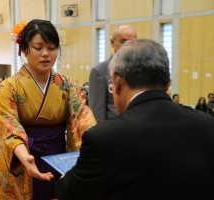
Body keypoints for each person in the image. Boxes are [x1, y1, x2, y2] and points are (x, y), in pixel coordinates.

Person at [55, 39, 214, 199]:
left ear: (117, 83)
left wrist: (65, 181)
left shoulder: (104, 137)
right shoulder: (207, 125)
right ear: (168, 84)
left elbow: (71, 193)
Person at [0, 19, 96, 200]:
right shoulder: (9, 87)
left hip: (58, 158)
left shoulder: (66, 85)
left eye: (51, 48)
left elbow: (83, 117)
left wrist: (98, 142)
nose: (45, 54)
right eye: (38, 47)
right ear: (24, 49)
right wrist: (25, 157)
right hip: (22, 157)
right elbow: (7, 125)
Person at [89, 24, 137, 123]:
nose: (127, 47)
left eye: (132, 43)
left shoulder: (141, 69)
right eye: (123, 42)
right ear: (112, 42)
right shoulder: (99, 71)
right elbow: (97, 112)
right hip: (112, 131)